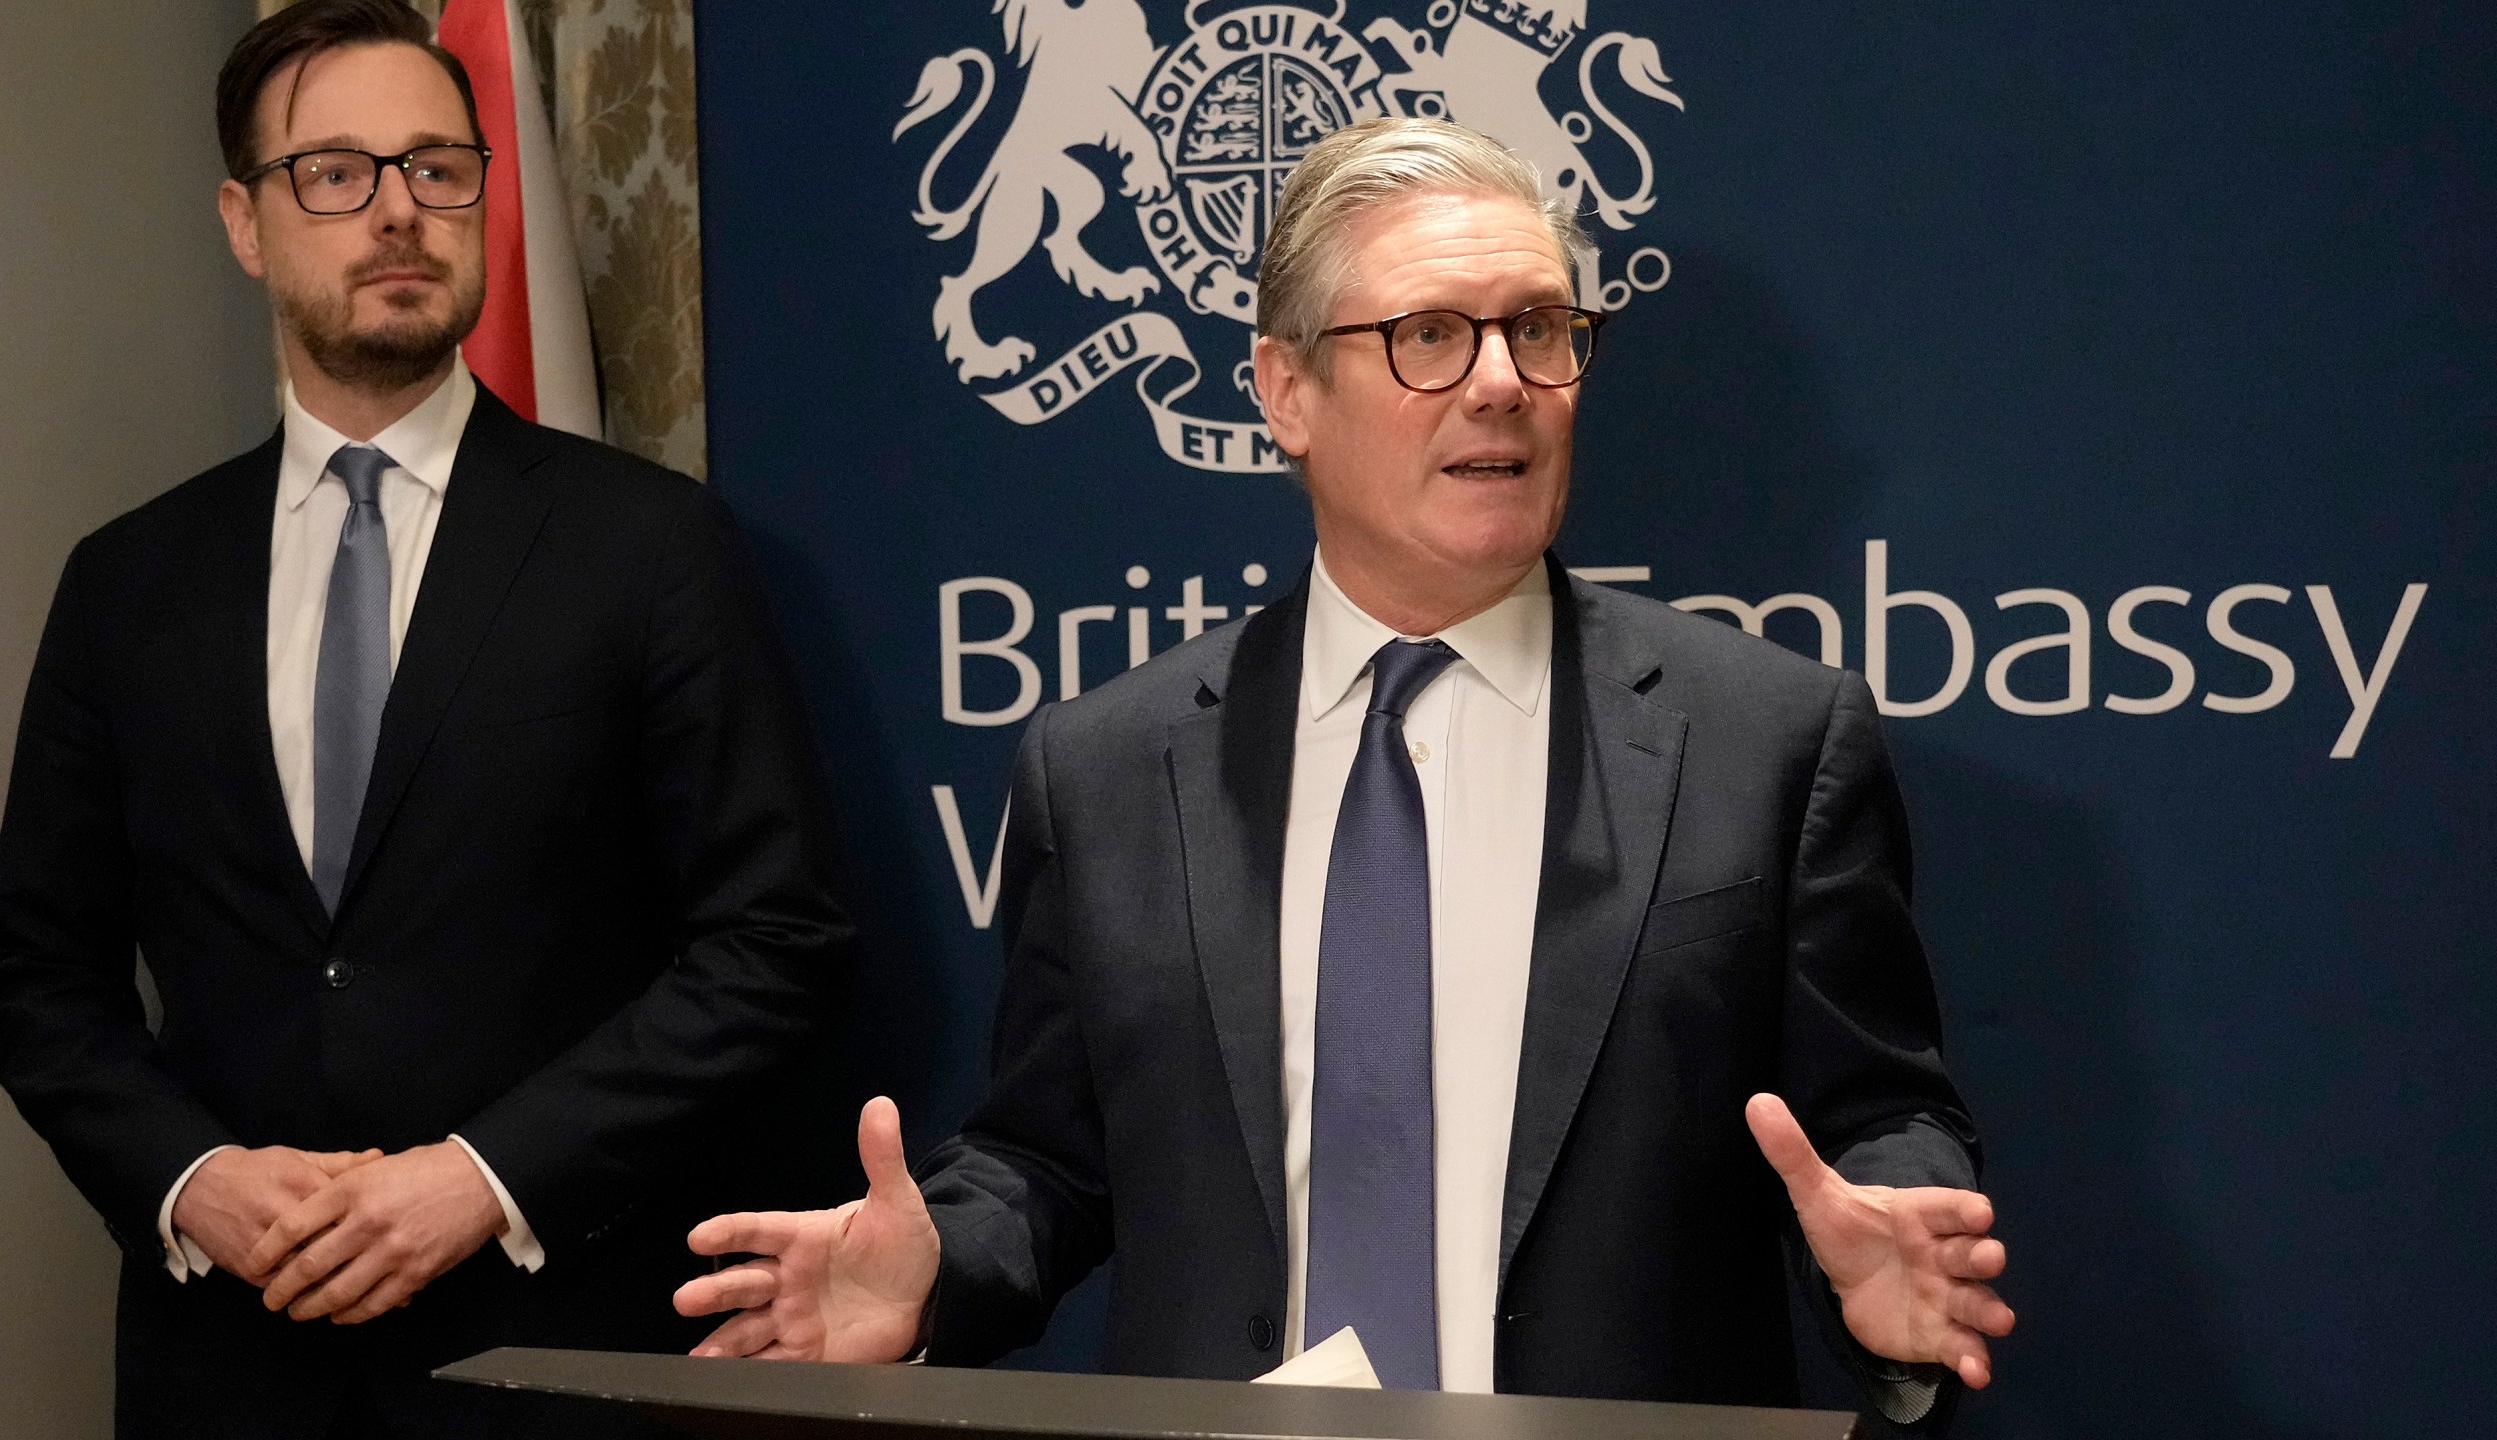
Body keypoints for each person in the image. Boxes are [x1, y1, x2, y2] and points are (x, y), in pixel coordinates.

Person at [673, 118, 2012, 1429]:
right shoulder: (1107, 765)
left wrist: (1890, 1267)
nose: (1502, 381)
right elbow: (1048, 1158)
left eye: (1540, 329)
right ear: (1285, 391)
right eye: (1430, 334)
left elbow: (1874, 1121)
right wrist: (936, 1276)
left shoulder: (1768, 740)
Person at [0, 1, 852, 1434]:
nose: (397, 212)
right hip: (227, 1367)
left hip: (556, 1345)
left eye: (438, 168)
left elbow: (775, 944)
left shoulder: (651, 547)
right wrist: (192, 1179)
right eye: (336, 173)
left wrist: (483, 1177)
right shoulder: (130, 581)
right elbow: (34, 969)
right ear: (245, 222)